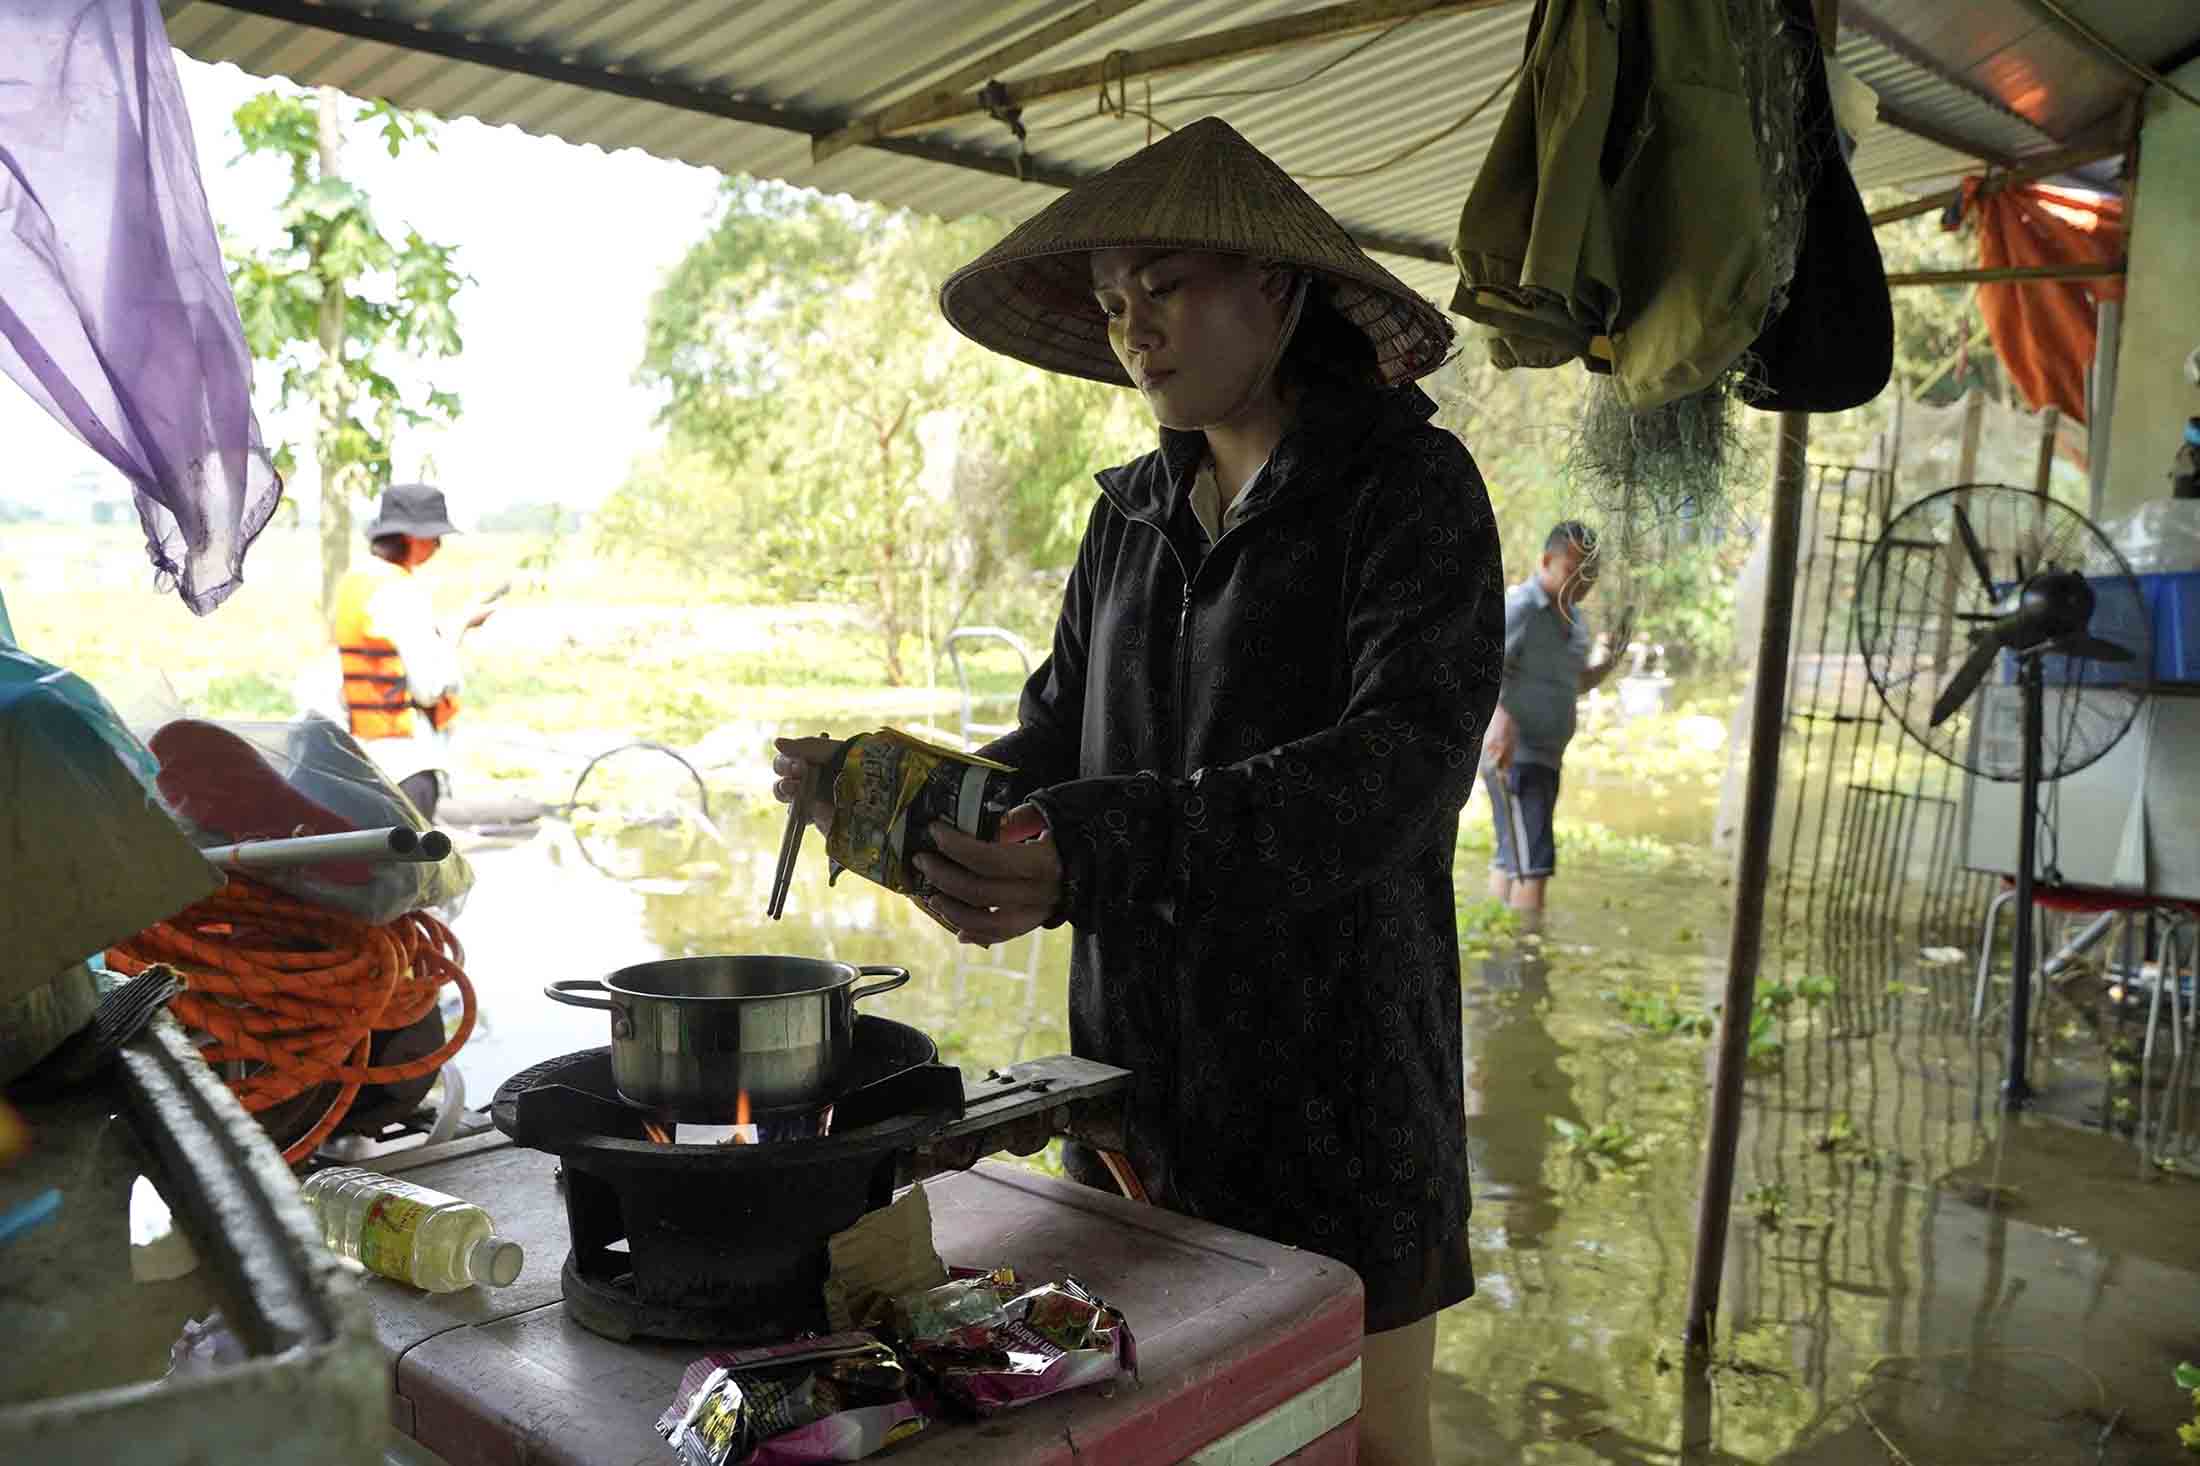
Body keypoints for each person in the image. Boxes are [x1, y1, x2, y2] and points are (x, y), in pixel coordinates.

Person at [774, 117, 1503, 1466]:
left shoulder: (1407, 489)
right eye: (1114, 304)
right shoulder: (1127, 516)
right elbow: (1060, 742)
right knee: (1152, 1431)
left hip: (1340, 1105)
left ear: (1276, 288)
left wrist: (1096, 849)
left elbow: (1398, 771)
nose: (1134, 329)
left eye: (1163, 287)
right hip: (1132, 1099)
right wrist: (902, 802)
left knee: (1360, 1447)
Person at [1481, 522, 1631, 929]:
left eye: (1589, 577)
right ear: (1547, 561)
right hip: (1515, 753)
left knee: (1514, 856)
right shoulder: (1521, 608)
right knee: (1534, 865)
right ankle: (1527, 963)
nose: (1580, 585)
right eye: (1572, 571)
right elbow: (1481, 667)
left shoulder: (1575, 621)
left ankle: (1499, 953)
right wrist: (1501, 717)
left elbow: (1575, 682)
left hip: (1546, 756)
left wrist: (1611, 660)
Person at [328, 483, 493, 819]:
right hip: (407, 765)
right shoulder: (402, 590)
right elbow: (430, 688)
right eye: (434, 536)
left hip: (362, 757)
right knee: (411, 869)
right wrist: (460, 629)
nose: (438, 545)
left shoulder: (356, 581)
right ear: (412, 537)